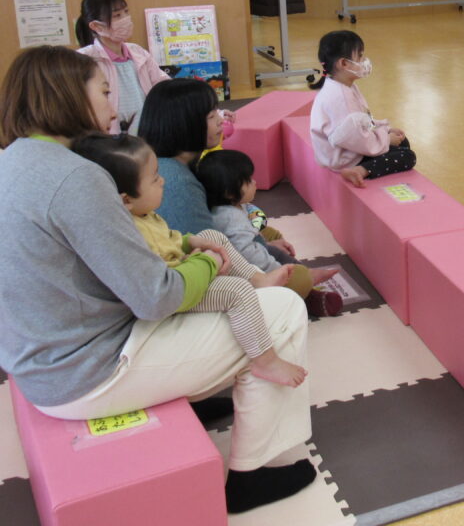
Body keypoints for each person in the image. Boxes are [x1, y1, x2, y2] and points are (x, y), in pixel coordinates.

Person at [0, 46, 315, 513]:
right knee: (283, 310)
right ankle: (256, 470)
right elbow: (156, 296)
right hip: (85, 371)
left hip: (39, 361)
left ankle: (192, 392)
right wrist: (208, 262)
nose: (114, 106)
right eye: (104, 91)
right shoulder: (75, 177)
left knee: (232, 303)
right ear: (67, 96)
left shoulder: (14, 159)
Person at [72, 132, 307, 388]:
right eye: (154, 179)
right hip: (176, 296)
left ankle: (259, 280)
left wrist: (189, 242)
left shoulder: (145, 214)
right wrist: (199, 262)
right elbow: (162, 279)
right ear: (126, 199)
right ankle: (265, 360)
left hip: (183, 270)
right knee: (237, 292)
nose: (163, 181)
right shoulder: (133, 230)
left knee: (211, 235)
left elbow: (170, 239)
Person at [138, 79, 343, 316]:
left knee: (264, 230)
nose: (220, 120)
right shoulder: (176, 182)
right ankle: (303, 288)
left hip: (220, 252)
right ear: (184, 125)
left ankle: (299, 286)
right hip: (201, 280)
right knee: (294, 277)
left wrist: (263, 244)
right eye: (210, 116)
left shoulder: (179, 164)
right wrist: (263, 261)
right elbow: (211, 251)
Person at [196, 149, 338, 290]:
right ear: (230, 193)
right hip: (254, 272)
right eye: (248, 181)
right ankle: (308, 282)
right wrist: (276, 270)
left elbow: (252, 234)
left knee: (275, 243)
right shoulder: (231, 218)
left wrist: (268, 245)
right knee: (297, 277)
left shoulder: (235, 206)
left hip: (256, 250)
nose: (254, 182)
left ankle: (305, 273)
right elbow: (248, 254)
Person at [309, 30, 416, 187]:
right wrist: (386, 140)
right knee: (408, 156)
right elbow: (355, 139)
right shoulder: (340, 97)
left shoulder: (344, 86)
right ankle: (360, 170)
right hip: (344, 157)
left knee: (402, 141)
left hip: (349, 147)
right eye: (359, 57)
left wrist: (384, 130)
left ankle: (367, 165)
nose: (364, 61)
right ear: (343, 63)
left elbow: (363, 120)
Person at [75, 0, 169, 134]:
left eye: (126, 12)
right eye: (117, 16)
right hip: (106, 137)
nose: (125, 19)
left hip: (145, 134)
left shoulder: (138, 52)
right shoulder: (84, 59)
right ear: (96, 26)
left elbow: (163, 86)